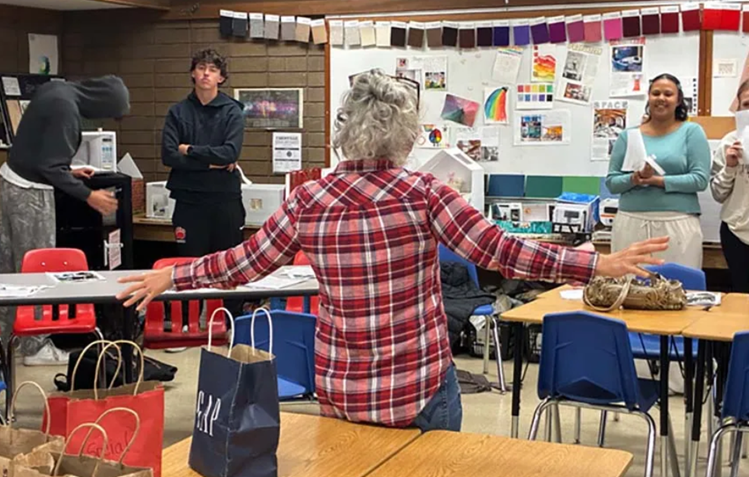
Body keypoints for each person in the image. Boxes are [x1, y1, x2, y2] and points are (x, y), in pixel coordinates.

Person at [118, 70, 668, 433]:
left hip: (342, 390)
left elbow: (246, 263)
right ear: (404, 138)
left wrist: (173, 277)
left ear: (344, 130)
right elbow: (502, 252)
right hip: (420, 386)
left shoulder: (308, 199)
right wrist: (595, 260)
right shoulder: (424, 193)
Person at [0, 75, 129, 366]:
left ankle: (5, 340)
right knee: (36, 270)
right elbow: (48, 166)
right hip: (30, 192)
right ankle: (34, 347)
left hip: (12, 181)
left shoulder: (56, 89)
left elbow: (42, 151)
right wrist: (89, 196)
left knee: (10, 269)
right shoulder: (67, 110)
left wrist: (68, 171)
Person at [161, 48, 246, 348]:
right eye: (200, 68)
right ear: (193, 73)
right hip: (189, 201)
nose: (206, 73)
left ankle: (232, 325)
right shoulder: (178, 112)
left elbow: (230, 152)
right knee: (188, 264)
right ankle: (184, 326)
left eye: (212, 69)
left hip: (224, 200)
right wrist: (210, 160)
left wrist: (190, 150)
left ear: (221, 77)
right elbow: (168, 155)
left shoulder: (232, 111)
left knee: (228, 265)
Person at [606, 73, 711, 269]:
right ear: (649, 97)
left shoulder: (692, 132)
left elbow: (700, 180)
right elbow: (612, 183)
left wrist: (656, 180)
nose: (661, 98)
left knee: (677, 288)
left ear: (678, 99)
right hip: (631, 223)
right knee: (629, 288)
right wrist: (635, 178)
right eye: (656, 93)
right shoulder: (629, 135)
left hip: (678, 224)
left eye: (668, 94)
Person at [710, 79, 749, 293]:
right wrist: (729, 167)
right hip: (736, 232)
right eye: (747, 104)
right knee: (741, 295)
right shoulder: (729, 142)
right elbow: (717, 193)